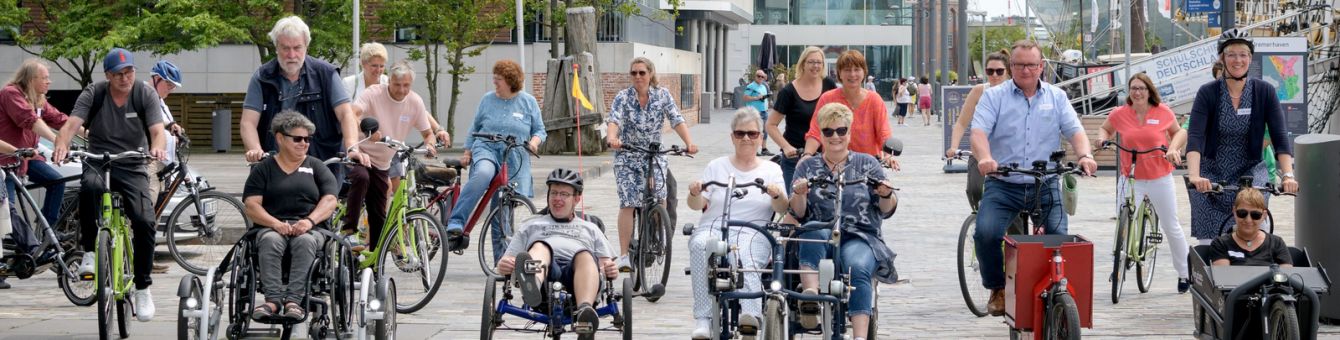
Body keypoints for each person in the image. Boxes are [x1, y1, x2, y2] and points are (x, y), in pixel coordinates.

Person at [970, 40, 1098, 317]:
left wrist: (1085, 155)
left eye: (1031, 64)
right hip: (1004, 183)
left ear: (1041, 67)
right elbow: (978, 132)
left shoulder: (1056, 97)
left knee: (1058, 239)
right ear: (1011, 67)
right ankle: (998, 287)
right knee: (986, 233)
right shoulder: (994, 97)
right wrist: (984, 158)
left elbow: (1074, 130)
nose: (1025, 70)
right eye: (1018, 64)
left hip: (1045, 182)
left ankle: (1053, 289)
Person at [52, 47, 170, 321]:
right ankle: (91, 254)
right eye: (119, 74)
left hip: (132, 162)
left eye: (129, 71)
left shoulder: (145, 93)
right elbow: (70, 126)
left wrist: (158, 148)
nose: (125, 77)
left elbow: (157, 131)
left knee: (144, 221)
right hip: (99, 159)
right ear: (108, 75)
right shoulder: (94, 93)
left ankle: (142, 287)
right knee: (90, 189)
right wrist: (61, 145)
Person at [789, 103, 897, 340]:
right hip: (820, 230)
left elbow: (887, 210)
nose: (835, 136)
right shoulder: (807, 166)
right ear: (821, 134)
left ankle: (859, 336)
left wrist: (885, 194)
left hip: (860, 234)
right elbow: (797, 212)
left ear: (849, 132)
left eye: (841, 130)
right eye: (828, 131)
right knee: (810, 231)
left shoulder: (868, 164)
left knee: (858, 267)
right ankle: (810, 297)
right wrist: (799, 194)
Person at [1185, 29, 1297, 245]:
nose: (1238, 60)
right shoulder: (1207, 93)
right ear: (1222, 58)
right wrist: (1194, 175)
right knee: (1210, 245)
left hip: (1251, 171)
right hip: (1212, 173)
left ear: (1250, 58)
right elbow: (1196, 137)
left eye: (1243, 54)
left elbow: (1280, 137)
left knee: (1254, 225)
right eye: (1232, 54)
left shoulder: (1264, 91)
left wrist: (1288, 176)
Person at [686, 109, 788, 339]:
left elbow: (783, 208)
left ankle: (750, 316)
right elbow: (697, 204)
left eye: (752, 134)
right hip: (715, 225)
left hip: (753, 229)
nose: (746, 139)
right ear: (732, 137)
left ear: (761, 137)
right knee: (700, 245)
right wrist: (694, 192)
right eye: (740, 133)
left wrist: (776, 194)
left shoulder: (772, 169)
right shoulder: (717, 166)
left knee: (744, 255)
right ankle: (703, 318)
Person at [1095, 73, 1193, 293]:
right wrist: (1101, 139)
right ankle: (1119, 262)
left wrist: (1172, 149)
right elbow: (1105, 129)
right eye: (1133, 88)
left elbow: (1178, 133)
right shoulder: (1120, 113)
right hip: (1130, 176)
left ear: (1150, 91)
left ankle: (1184, 274)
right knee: (1124, 216)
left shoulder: (1163, 111)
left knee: (1171, 225)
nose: (1137, 92)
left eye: (1141, 88)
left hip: (1159, 175)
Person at [241, 111, 340, 320]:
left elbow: (330, 200)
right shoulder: (263, 169)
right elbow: (251, 205)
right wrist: (275, 224)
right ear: (280, 138)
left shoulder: (316, 167)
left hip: (311, 228)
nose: (304, 143)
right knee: (270, 240)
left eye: (307, 139)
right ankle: (272, 301)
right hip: (270, 226)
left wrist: (309, 221)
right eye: (298, 139)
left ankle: (294, 301)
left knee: (304, 241)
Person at [496, 168, 618, 337]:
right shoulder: (531, 225)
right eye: (553, 193)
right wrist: (505, 264)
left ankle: (585, 313)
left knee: (584, 255)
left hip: (578, 277)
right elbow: (506, 263)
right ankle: (532, 285)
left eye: (564, 194)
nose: (557, 199)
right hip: (545, 278)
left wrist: (610, 269)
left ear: (577, 199)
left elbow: (606, 265)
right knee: (540, 247)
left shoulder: (591, 228)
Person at [240, 16, 367, 177]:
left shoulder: (326, 74)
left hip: (321, 163)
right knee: (254, 200)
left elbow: (345, 114)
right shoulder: (262, 77)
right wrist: (255, 149)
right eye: (285, 48)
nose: (291, 54)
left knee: (327, 199)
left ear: (306, 46)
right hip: (275, 164)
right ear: (276, 47)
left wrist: (351, 148)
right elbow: (248, 122)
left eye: (297, 47)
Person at [606, 56, 699, 270]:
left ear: (650, 74)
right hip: (628, 155)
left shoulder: (662, 95)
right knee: (628, 202)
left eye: (642, 72)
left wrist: (689, 143)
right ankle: (623, 256)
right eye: (634, 73)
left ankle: (659, 235)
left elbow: (676, 119)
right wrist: (612, 138)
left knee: (660, 195)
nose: (638, 76)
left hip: (654, 154)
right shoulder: (623, 97)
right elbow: (614, 120)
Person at [446, 59, 546, 257]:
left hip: (514, 158)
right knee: (483, 173)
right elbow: (475, 127)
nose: (495, 82)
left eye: (498, 79)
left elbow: (540, 130)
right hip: (487, 149)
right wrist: (467, 152)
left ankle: (501, 261)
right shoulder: (487, 99)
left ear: (510, 81)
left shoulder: (528, 102)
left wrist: (534, 142)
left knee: (502, 209)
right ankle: (456, 221)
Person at [344, 61, 440, 251]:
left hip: (383, 161)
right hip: (361, 153)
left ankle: (374, 260)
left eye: (406, 85)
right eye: (397, 84)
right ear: (389, 81)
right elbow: (352, 114)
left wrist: (430, 144)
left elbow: (428, 133)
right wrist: (368, 131)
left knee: (378, 211)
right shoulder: (373, 93)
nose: (401, 89)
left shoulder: (414, 101)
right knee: (361, 178)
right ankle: (349, 231)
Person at [800, 49, 897, 170]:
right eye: (847, 70)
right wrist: (807, 154)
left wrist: (888, 156)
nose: (852, 74)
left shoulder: (874, 100)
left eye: (857, 69)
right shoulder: (828, 98)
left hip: (867, 167)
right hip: (834, 167)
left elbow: (884, 132)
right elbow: (815, 131)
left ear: (864, 72)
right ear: (839, 73)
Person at [0, 59, 68, 228]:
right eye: (44, 77)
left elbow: (60, 120)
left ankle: (47, 232)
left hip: (27, 160)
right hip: (6, 162)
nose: (49, 81)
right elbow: (29, 120)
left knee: (57, 181)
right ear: (31, 79)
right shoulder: (11, 93)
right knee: (8, 212)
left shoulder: (38, 99)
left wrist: (91, 134)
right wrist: (56, 140)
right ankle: (26, 247)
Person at [766, 46, 838, 193]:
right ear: (803, 64)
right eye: (811, 62)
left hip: (825, 157)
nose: (815, 66)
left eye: (819, 62)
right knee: (795, 206)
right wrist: (786, 147)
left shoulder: (829, 85)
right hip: (795, 158)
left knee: (825, 204)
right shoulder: (788, 92)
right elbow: (771, 125)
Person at [947, 49, 1010, 209]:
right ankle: (979, 219)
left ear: (1008, 72)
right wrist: (954, 147)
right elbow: (961, 123)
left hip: (1006, 153)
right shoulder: (979, 91)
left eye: (999, 71)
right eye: (990, 71)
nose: (994, 75)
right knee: (975, 190)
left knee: (1010, 199)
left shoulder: (1013, 92)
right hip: (980, 151)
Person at [145, 59, 184, 274]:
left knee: (156, 212)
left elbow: (165, 121)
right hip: (150, 161)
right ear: (156, 78)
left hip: (163, 163)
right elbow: (155, 124)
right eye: (168, 84)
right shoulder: (145, 95)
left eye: (172, 86)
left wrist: (174, 127)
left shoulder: (160, 100)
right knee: (147, 210)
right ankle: (136, 258)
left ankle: (147, 259)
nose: (170, 89)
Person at [1208, 188, 1291, 267]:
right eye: (1242, 213)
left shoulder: (1277, 243)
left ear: (1264, 215)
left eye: (1255, 215)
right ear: (1234, 212)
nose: (1248, 220)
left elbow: (1287, 276)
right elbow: (1222, 277)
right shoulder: (1220, 244)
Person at [742, 69, 772, 156]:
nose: (760, 78)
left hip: (764, 111)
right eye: (758, 76)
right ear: (755, 76)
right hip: (754, 112)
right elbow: (745, 97)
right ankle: (753, 149)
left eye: (762, 76)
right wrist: (756, 98)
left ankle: (764, 149)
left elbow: (763, 98)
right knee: (754, 131)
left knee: (765, 131)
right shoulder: (751, 86)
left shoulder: (764, 86)